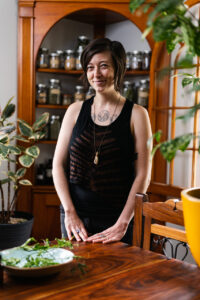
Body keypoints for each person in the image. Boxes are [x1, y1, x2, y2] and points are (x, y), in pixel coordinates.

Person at [52, 38, 152, 245]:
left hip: (117, 219)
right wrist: (69, 212)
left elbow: (143, 174)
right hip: (74, 217)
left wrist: (124, 223)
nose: (96, 74)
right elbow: (57, 165)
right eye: (90, 67)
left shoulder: (137, 114)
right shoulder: (74, 111)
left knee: (116, 276)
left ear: (118, 68)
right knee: (74, 275)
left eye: (103, 66)